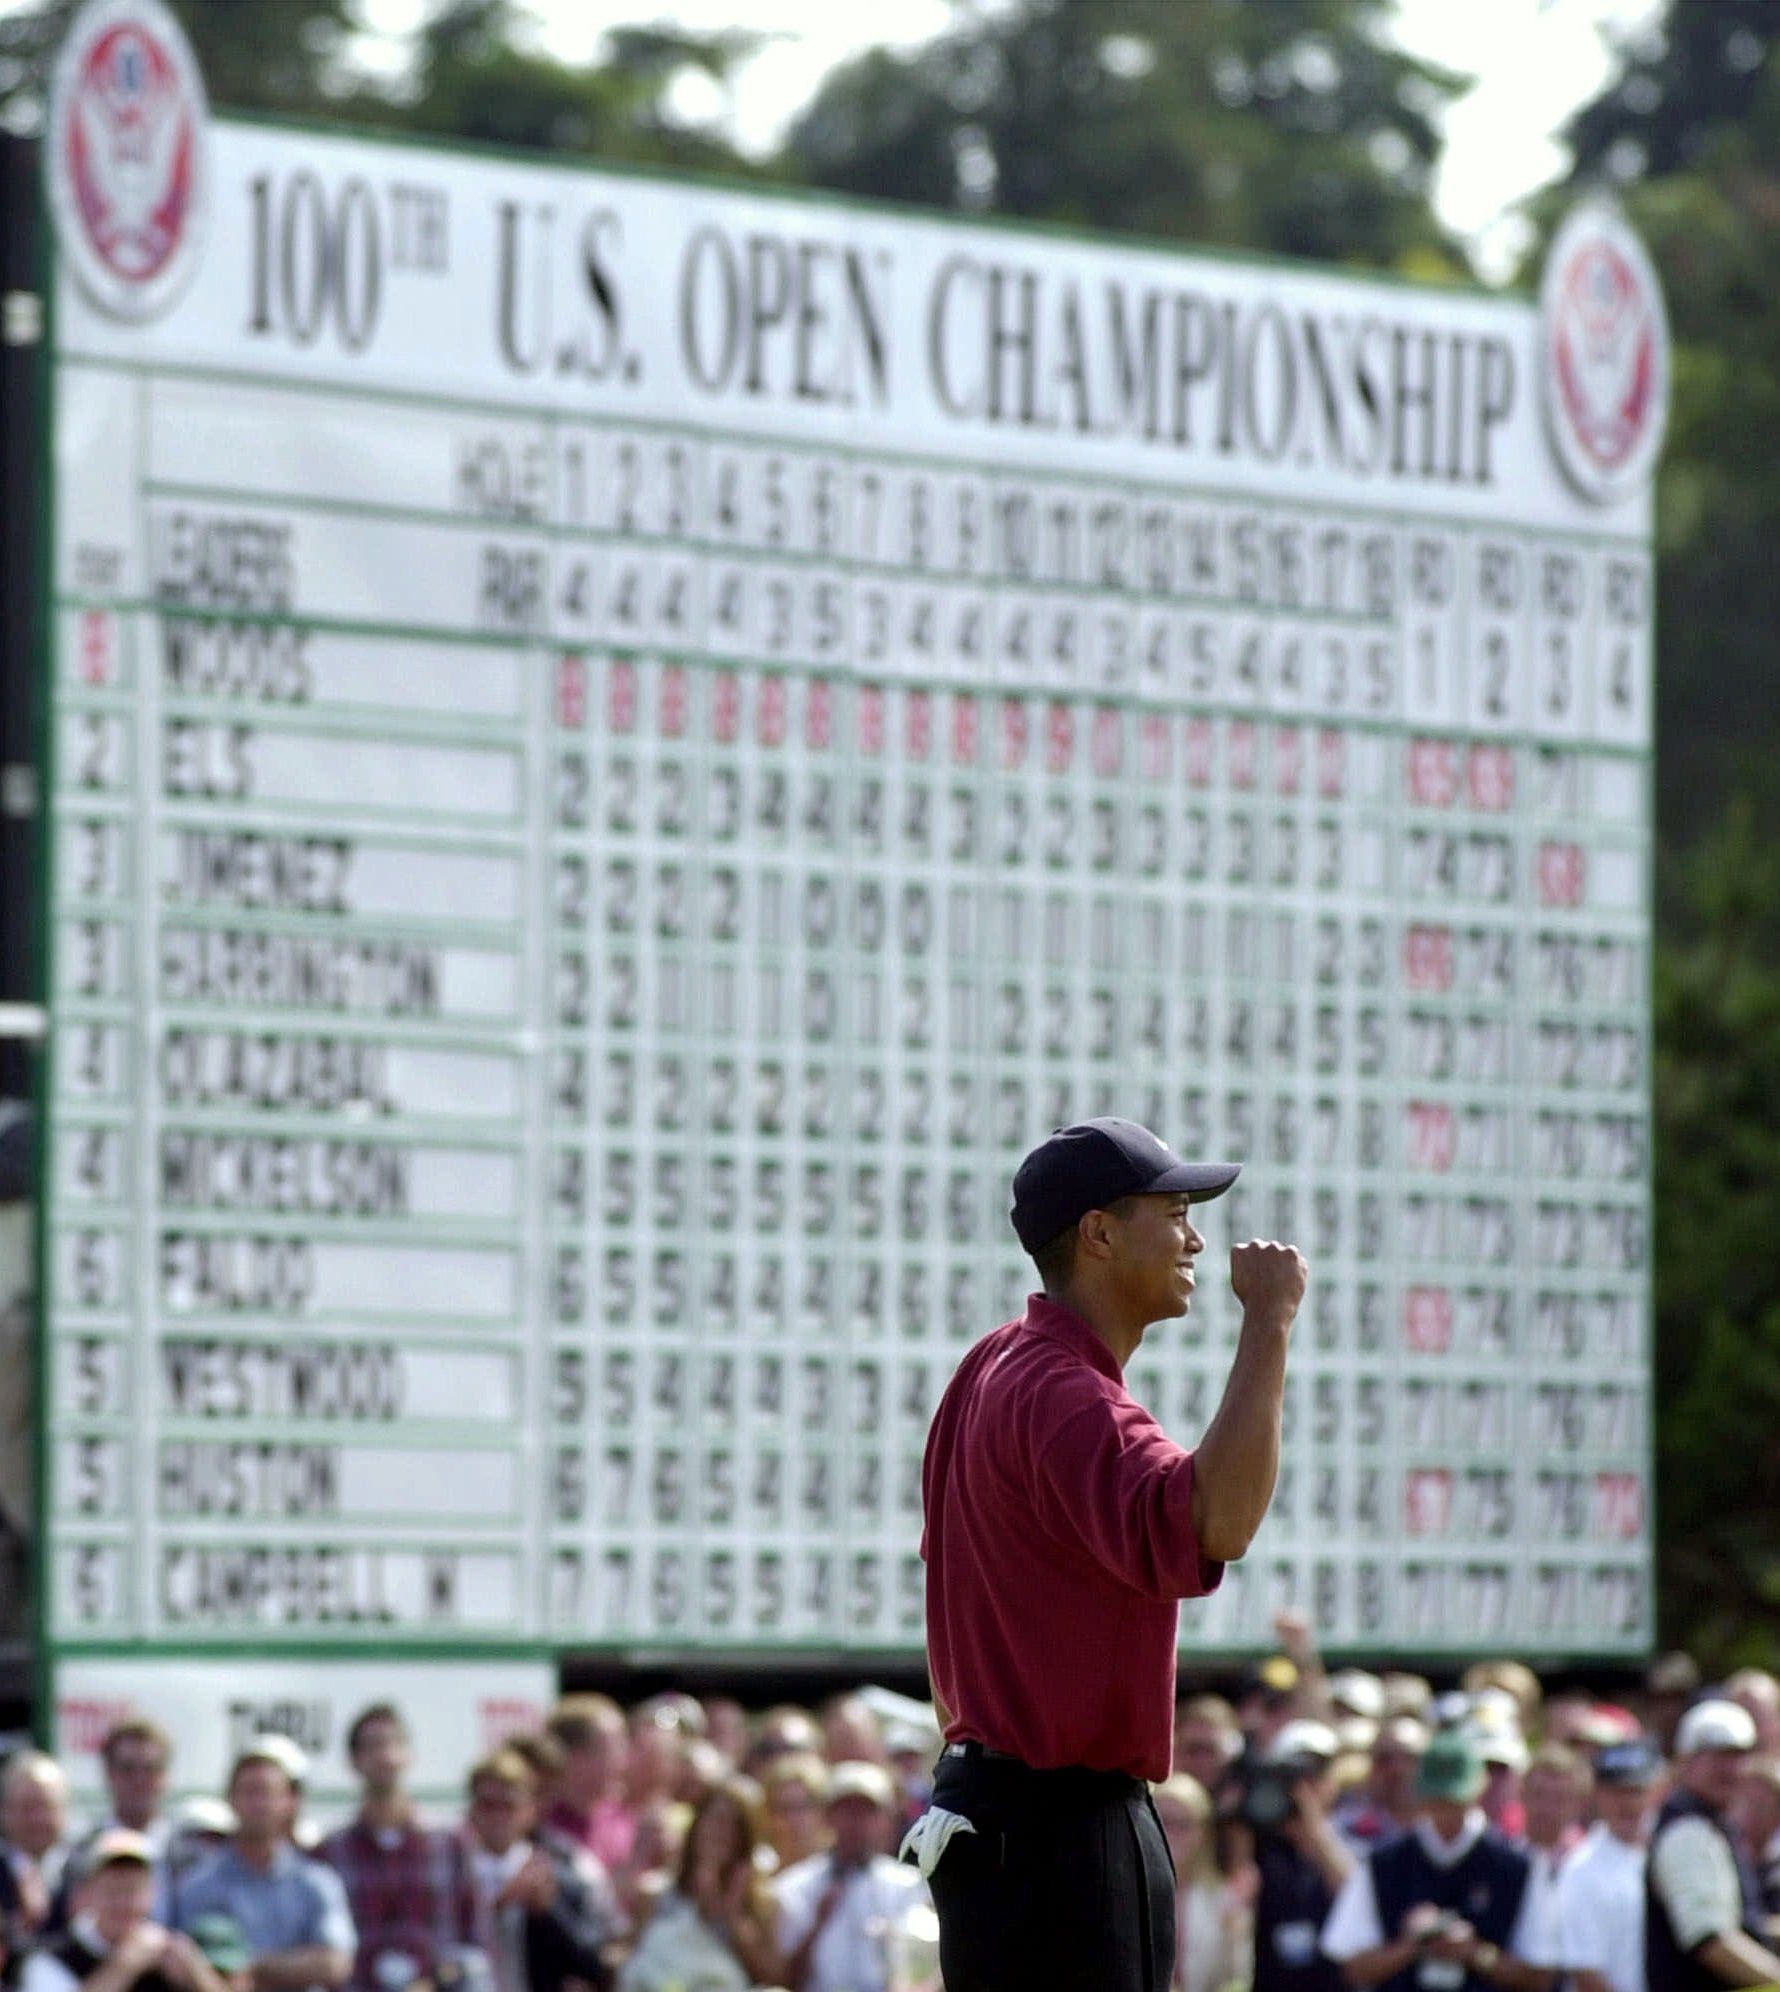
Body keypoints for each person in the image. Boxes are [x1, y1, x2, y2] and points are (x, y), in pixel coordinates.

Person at [917, 1117, 1306, 1992]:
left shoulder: (990, 1365)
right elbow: (1218, 1524)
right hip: (1061, 1831)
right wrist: (1270, 1325)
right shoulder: (1065, 1393)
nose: (1195, 1236)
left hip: (990, 1810)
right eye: (1172, 1211)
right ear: (1097, 1233)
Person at [1319, 1728, 1547, 1992]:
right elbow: (1353, 1966)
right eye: (1438, 1800)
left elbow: (1541, 1976)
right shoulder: (1385, 1863)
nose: (1446, 1810)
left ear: (1478, 1789)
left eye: (1454, 1800)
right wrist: (1412, 1946)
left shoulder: (1517, 1866)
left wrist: (1474, 1952)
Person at [167, 1744, 355, 1992]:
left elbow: (336, 1964)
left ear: (289, 1802)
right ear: (231, 1799)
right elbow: (184, 1965)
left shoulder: (316, 1882)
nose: (259, 1803)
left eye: (268, 1793)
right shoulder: (198, 1886)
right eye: (249, 1792)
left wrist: (254, 1968)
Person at [316, 1705, 479, 1992]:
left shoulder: (449, 1844)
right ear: (353, 1761)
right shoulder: (330, 1851)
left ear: (408, 1755)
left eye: (393, 1743)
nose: (385, 1755)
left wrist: (436, 1981)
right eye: (373, 1746)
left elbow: (475, 1943)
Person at [1644, 1699, 1780, 1992]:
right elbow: (1711, 1942)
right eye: (1716, 1756)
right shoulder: (1687, 1832)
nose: (1729, 1768)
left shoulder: (1709, 1823)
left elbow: (1738, 1921)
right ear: (1685, 1761)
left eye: (1737, 1756)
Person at [460, 1748, 620, 1992]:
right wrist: (497, 1905)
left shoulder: (558, 1872)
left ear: (528, 1811)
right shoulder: (454, 1872)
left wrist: (549, 1909)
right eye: (487, 1805)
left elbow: (592, 1964)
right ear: (472, 1809)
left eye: (508, 1805)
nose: (498, 1816)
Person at [618, 1779, 778, 1992]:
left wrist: (733, 1918)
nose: (721, 1832)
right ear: (697, 1824)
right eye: (716, 1819)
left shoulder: (759, 1903)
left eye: (734, 1825)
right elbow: (631, 1954)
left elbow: (773, 1976)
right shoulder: (655, 1893)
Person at [20, 1831, 229, 1992]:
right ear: (87, 1894)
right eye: (112, 1890)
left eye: (133, 1891)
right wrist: (124, 1966)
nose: (122, 1903)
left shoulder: (169, 1957)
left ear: (153, 1895)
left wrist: (199, 1977)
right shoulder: (52, 1958)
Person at [1246, 1724, 1353, 1992]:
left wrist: (1315, 1832)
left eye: (1316, 1773)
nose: (1304, 1786)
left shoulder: (1353, 1831)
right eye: (1293, 1776)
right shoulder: (1258, 1842)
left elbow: (1353, 1895)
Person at [1553, 1738, 1662, 1992]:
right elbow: (1586, 1973)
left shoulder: (1668, 1851)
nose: (1627, 1802)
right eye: (1616, 1791)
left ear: (1656, 1790)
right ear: (1598, 1794)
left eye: (1636, 1790)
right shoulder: (1581, 1868)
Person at [1153, 1774, 1252, 1992]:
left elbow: (1237, 1979)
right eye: (1163, 1821)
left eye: (1184, 1824)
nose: (1172, 1834)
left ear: (1203, 1831)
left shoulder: (1226, 1898)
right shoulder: (1124, 1896)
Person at [542, 1701, 634, 1881]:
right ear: (576, 1758)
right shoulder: (539, 1828)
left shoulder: (623, 1818)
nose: (624, 1762)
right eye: (614, 1749)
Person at [3, 1752, 75, 1936]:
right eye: (27, 1807)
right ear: (4, 1811)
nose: (37, 1819)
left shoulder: (87, 1868)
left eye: (46, 1806)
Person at [1332, 1721, 1428, 1857]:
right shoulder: (1349, 1827)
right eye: (1385, 1759)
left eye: (1411, 1757)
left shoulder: (1444, 1827)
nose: (1398, 1769)